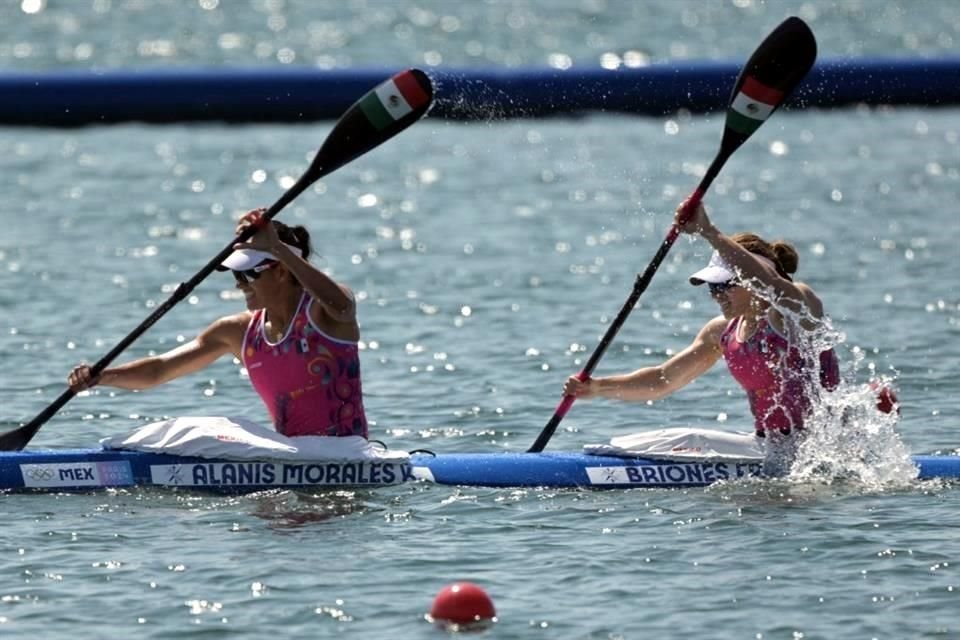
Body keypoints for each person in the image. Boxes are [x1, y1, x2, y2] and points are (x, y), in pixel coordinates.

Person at [563, 200, 840, 475]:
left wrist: (708, 231)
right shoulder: (722, 331)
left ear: (750, 280)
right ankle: (592, 465)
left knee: (692, 441)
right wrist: (598, 388)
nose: (716, 295)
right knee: (682, 440)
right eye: (712, 287)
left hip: (819, 449)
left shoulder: (796, 311)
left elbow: (770, 284)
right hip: (768, 447)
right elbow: (664, 379)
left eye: (724, 285)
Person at [68, 208, 368, 439]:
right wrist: (102, 377)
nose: (240, 285)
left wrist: (276, 248)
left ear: (280, 271)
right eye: (236, 276)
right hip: (294, 458)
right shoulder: (236, 332)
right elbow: (159, 370)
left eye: (248, 275)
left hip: (346, 455)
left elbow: (342, 305)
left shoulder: (322, 314)